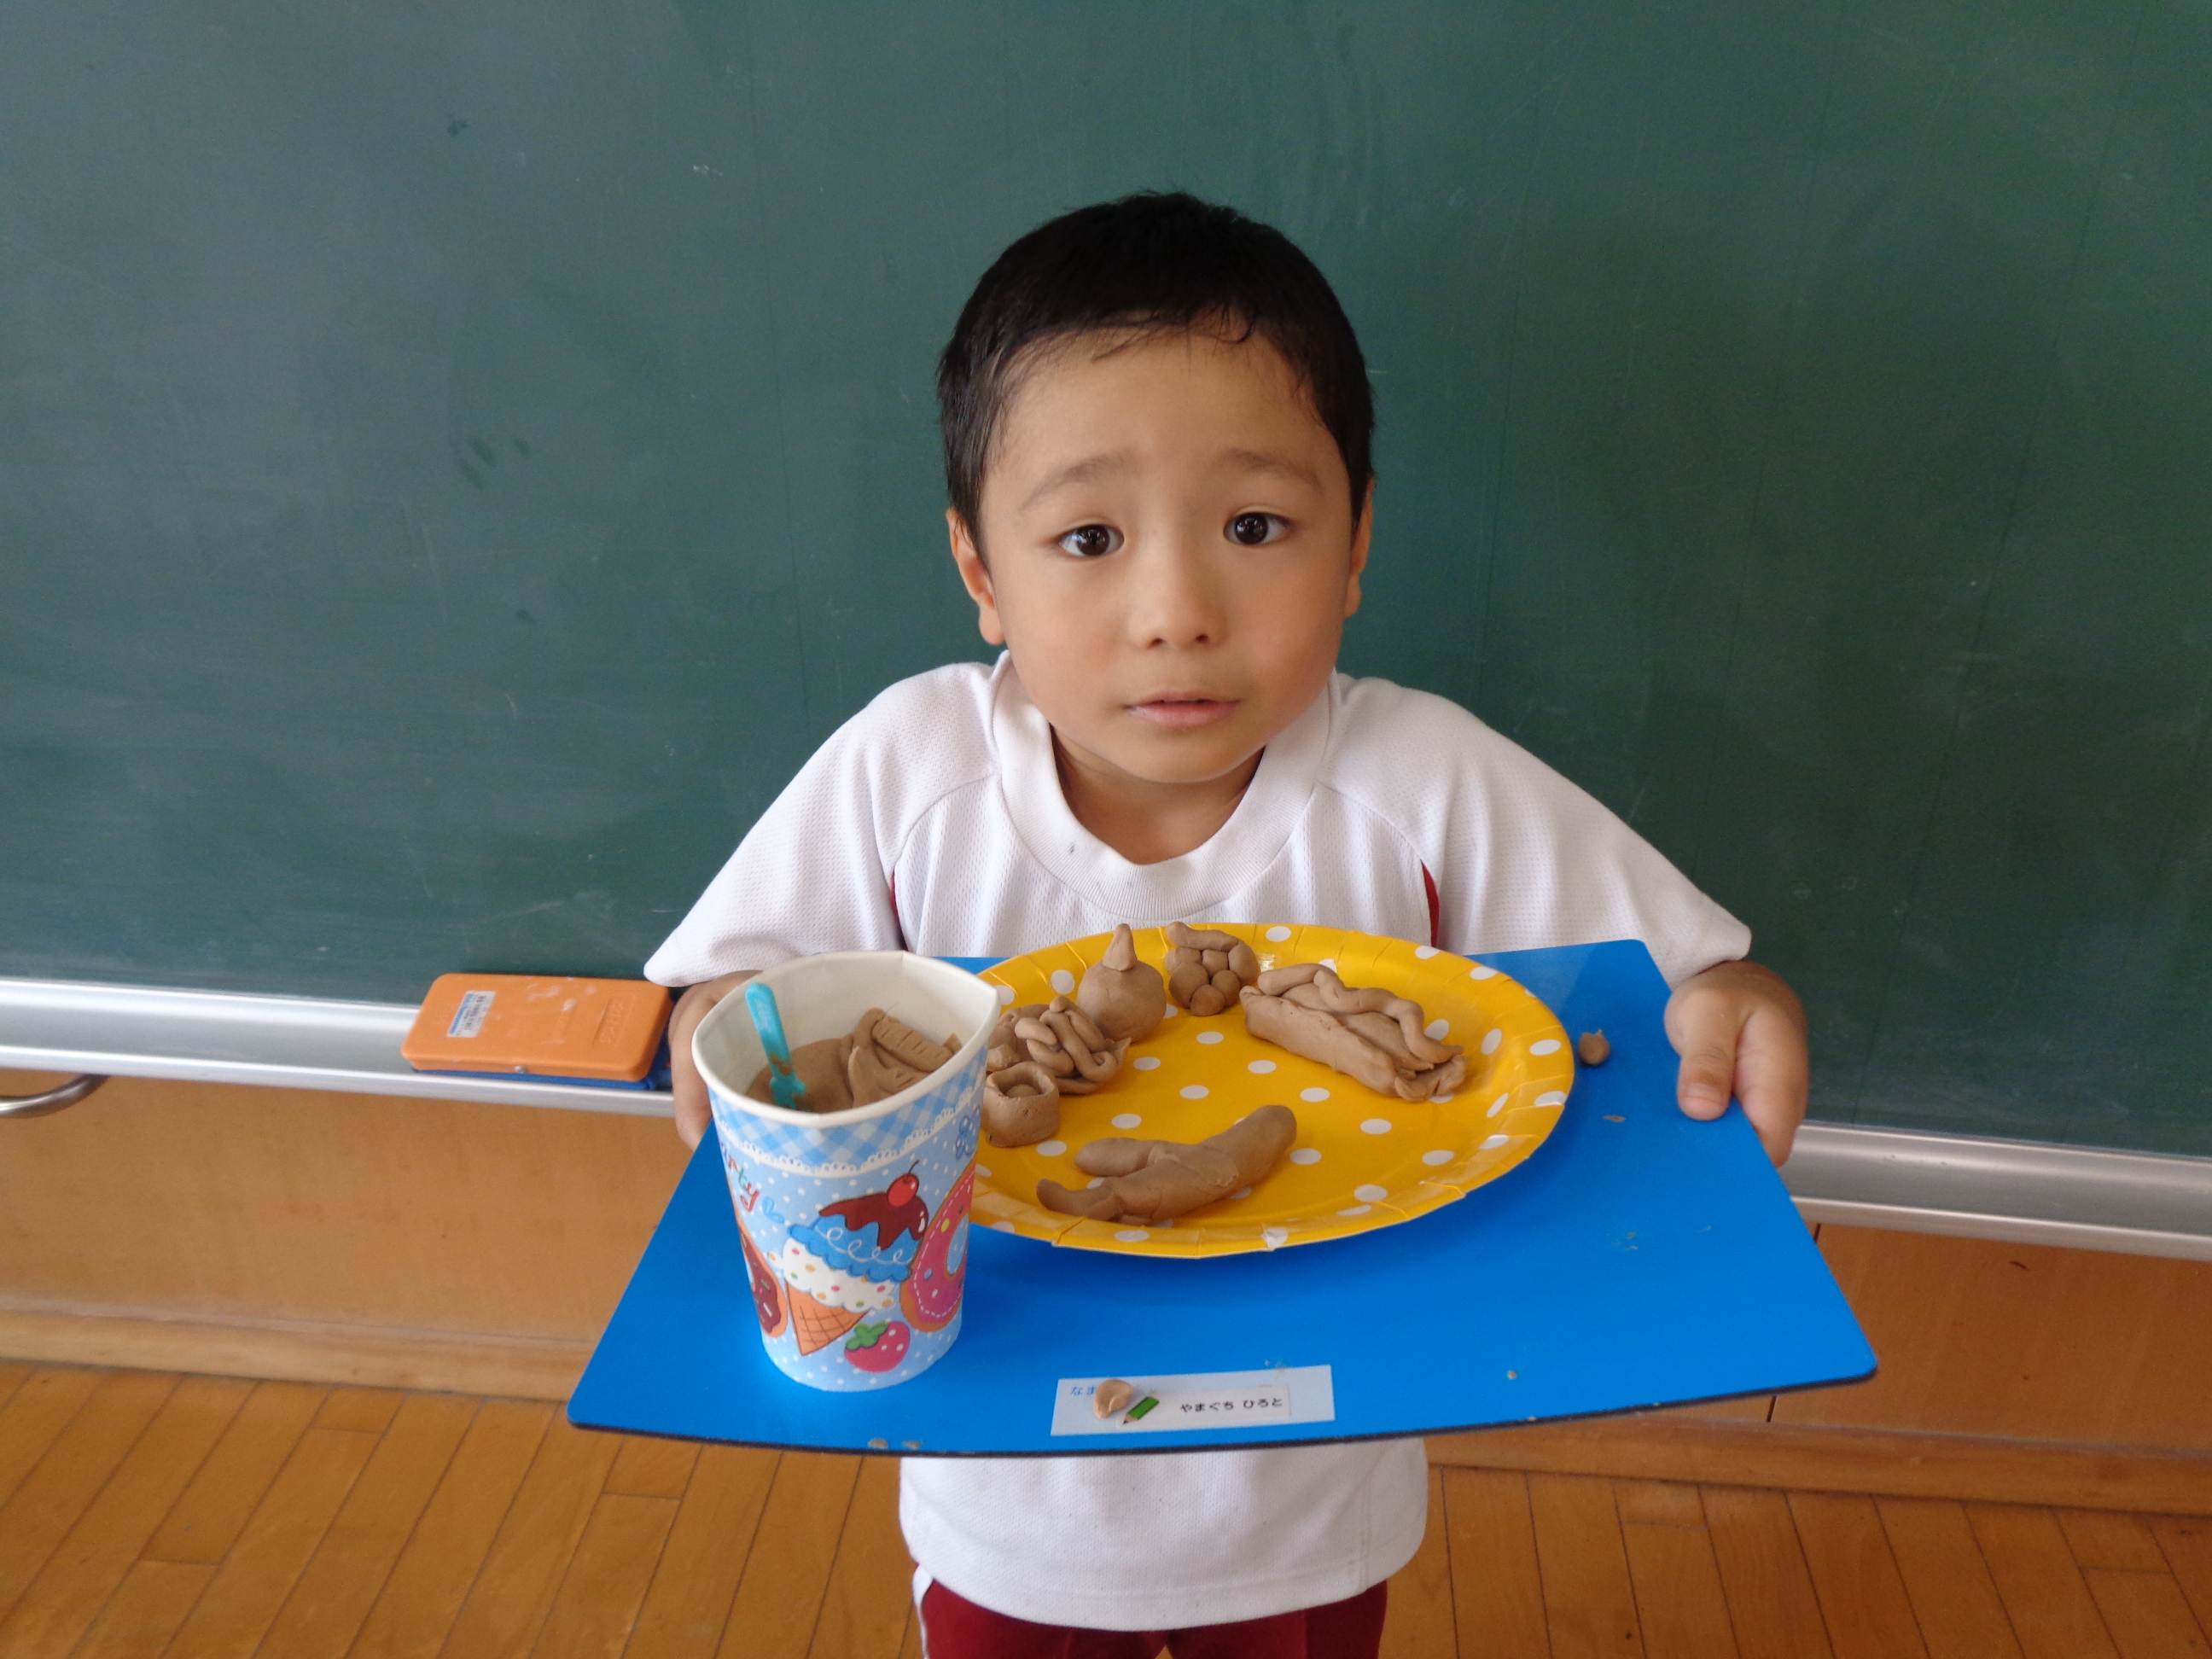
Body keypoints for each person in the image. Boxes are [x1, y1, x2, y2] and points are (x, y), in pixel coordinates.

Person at [645, 191, 1807, 1658]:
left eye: (1255, 526)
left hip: (1314, 1491)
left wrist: (1734, 1002)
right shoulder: (905, 775)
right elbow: (733, 1001)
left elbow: (1680, 979)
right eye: (1088, 536)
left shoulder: (1423, 779)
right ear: (981, 572)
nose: (1176, 609)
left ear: (1357, 540)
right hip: (1000, 1475)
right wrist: (722, 1033)